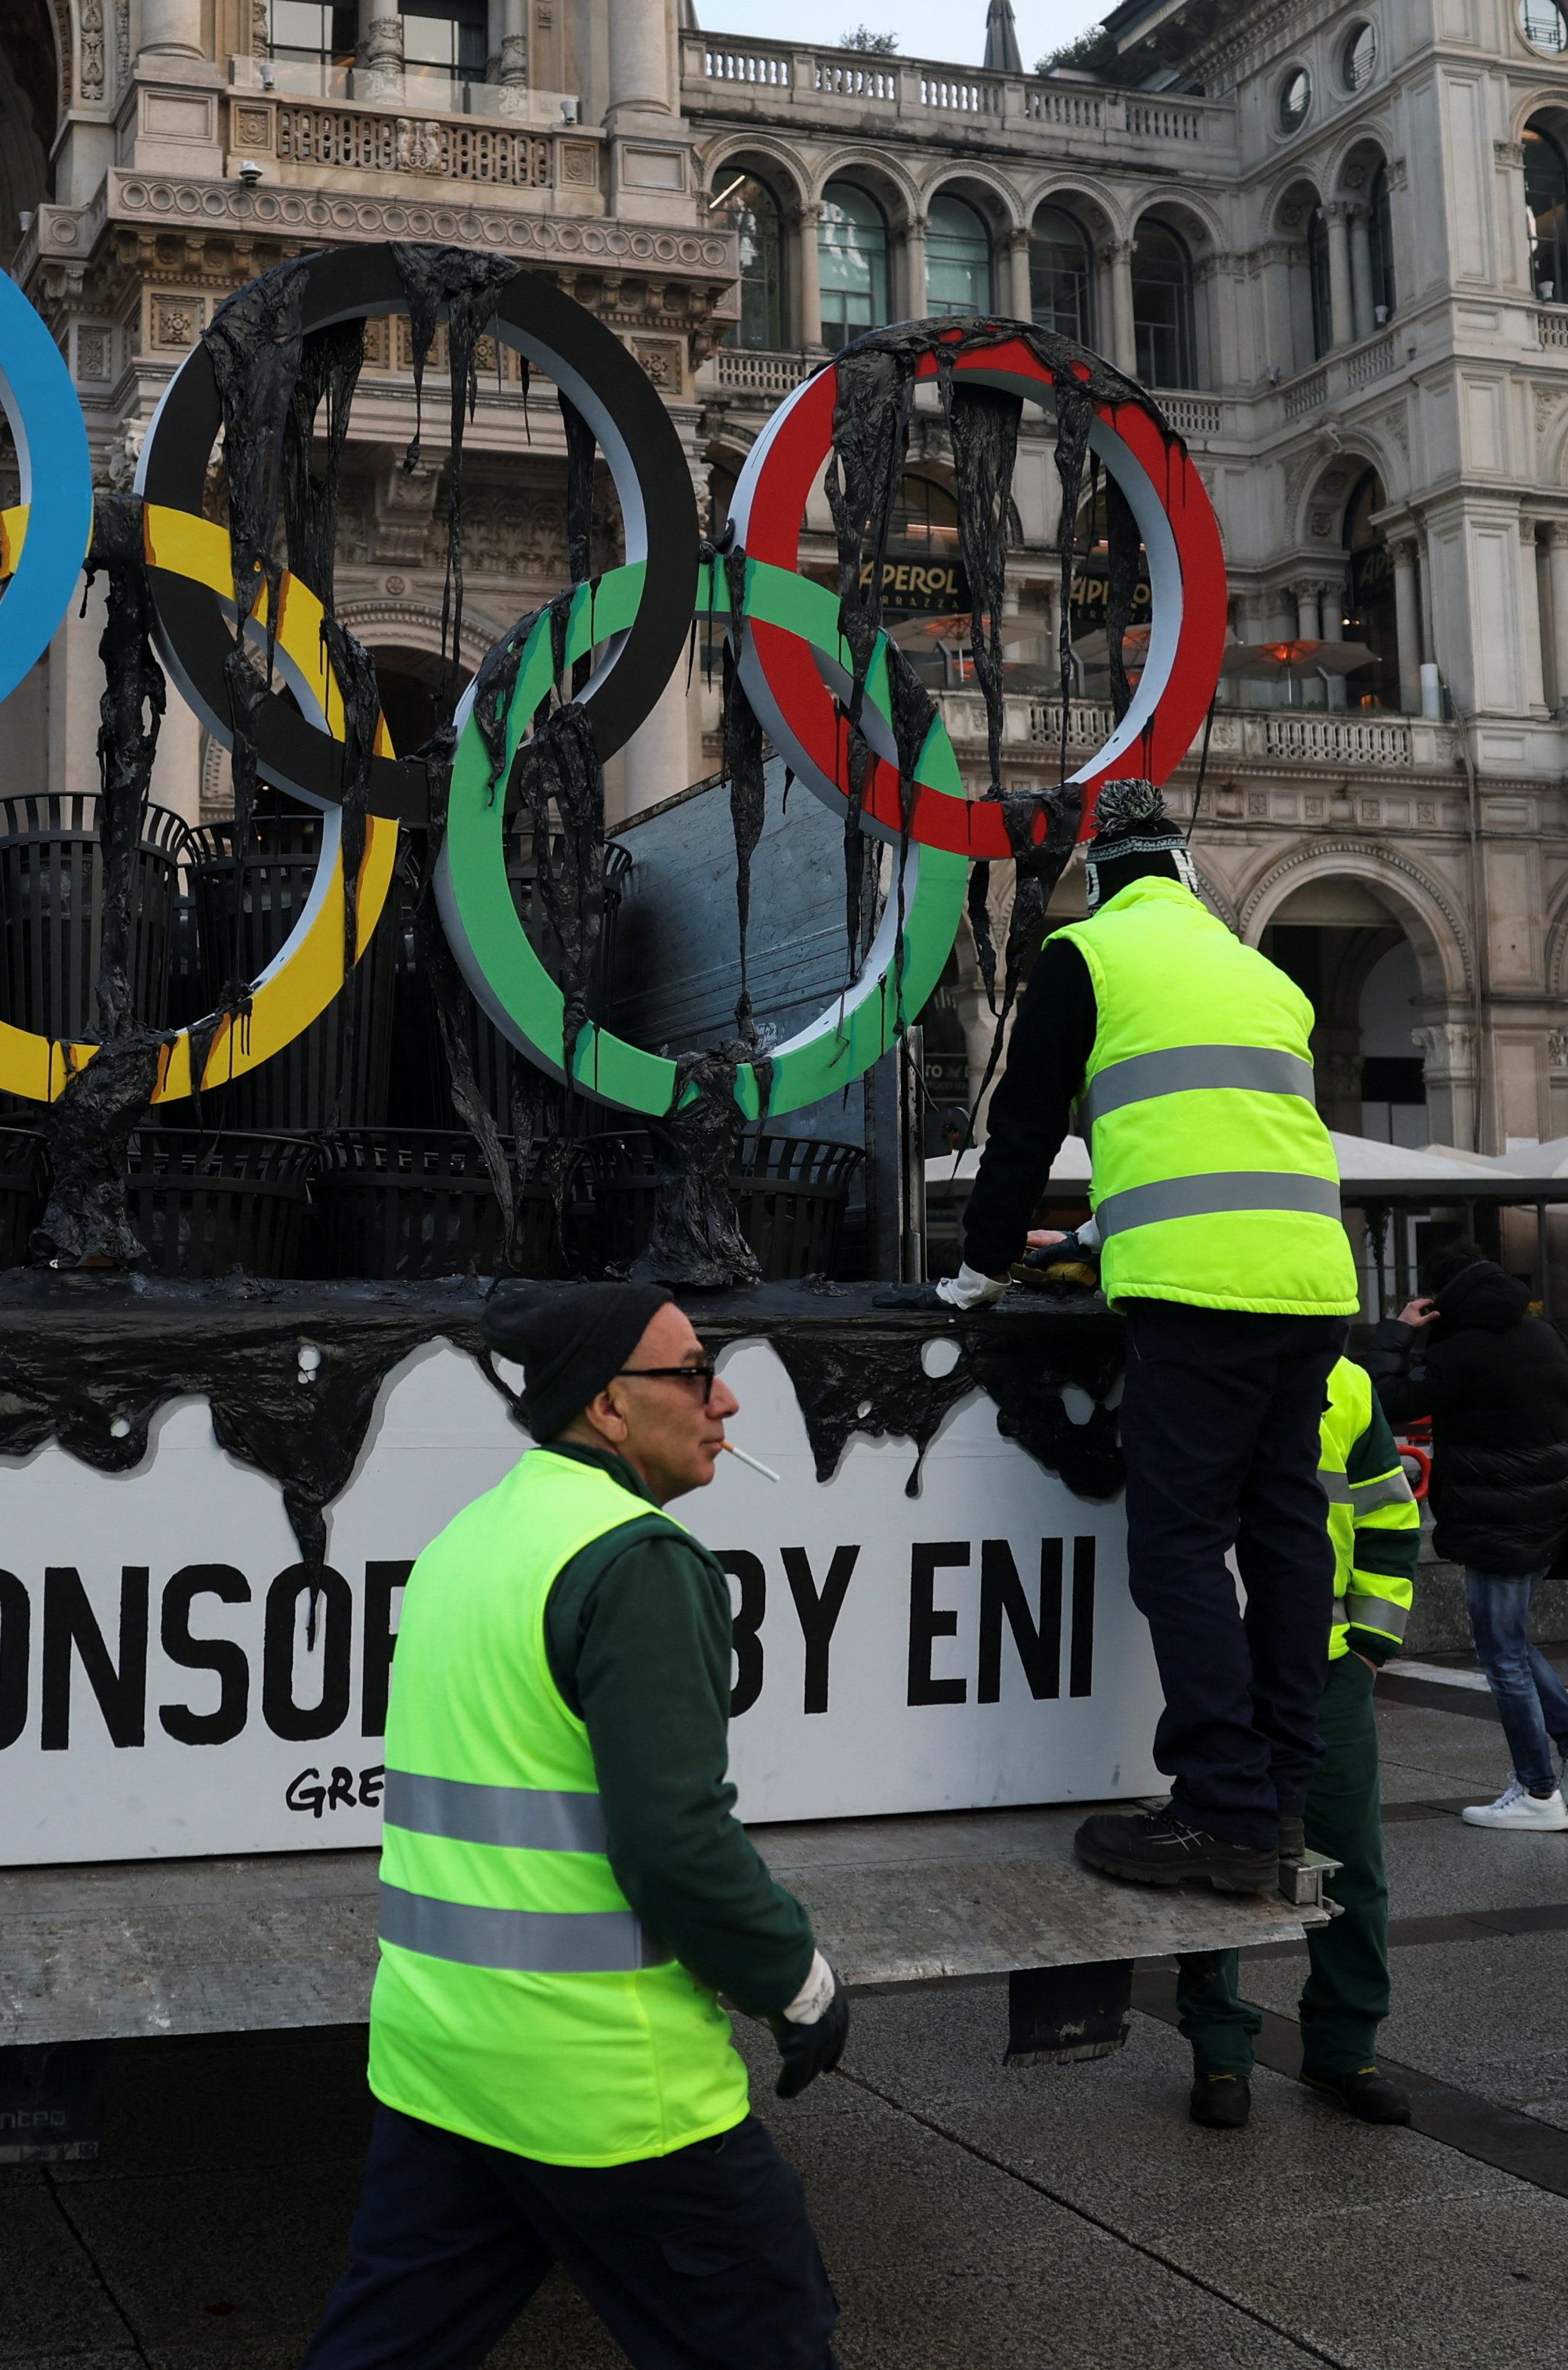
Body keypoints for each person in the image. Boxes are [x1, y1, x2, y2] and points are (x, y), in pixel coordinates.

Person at [305, 1282, 849, 2370]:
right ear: (607, 1405)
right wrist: (795, 1979)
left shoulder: (472, 1536)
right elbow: (676, 1840)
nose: (725, 1399)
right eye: (692, 1372)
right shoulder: (639, 1559)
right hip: (605, 2084)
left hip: (444, 2059)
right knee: (767, 2340)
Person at [943, 776, 1355, 1895]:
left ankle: (1219, 1806)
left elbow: (1025, 1124)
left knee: (1178, 1543)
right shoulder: (1260, 970)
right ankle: (1281, 1798)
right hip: (1312, 1283)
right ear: (1183, 869)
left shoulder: (1088, 954)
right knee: (1283, 1534)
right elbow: (1222, 1134)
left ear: (1099, 878)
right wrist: (1100, 1232)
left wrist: (981, 1266)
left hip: (1195, 1293)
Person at [1172, 1351, 1423, 2129]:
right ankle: (1220, 2052)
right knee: (1217, 1860)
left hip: (1324, 1664)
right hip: (1210, 1667)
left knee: (1352, 1863)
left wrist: (1368, 1646)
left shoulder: (1346, 1382)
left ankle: (1345, 2049)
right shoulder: (1183, 1361)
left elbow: (1389, 1518)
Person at [1391, 1239, 1568, 1832]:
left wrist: (1400, 1333)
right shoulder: (1545, 1334)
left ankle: (1538, 1790)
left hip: (1493, 1516)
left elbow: (1389, 1401)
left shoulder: (1460, 1347)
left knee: (1501, 1653)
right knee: (1510, 1642)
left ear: (1439, 1297)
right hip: (1544, 1510)